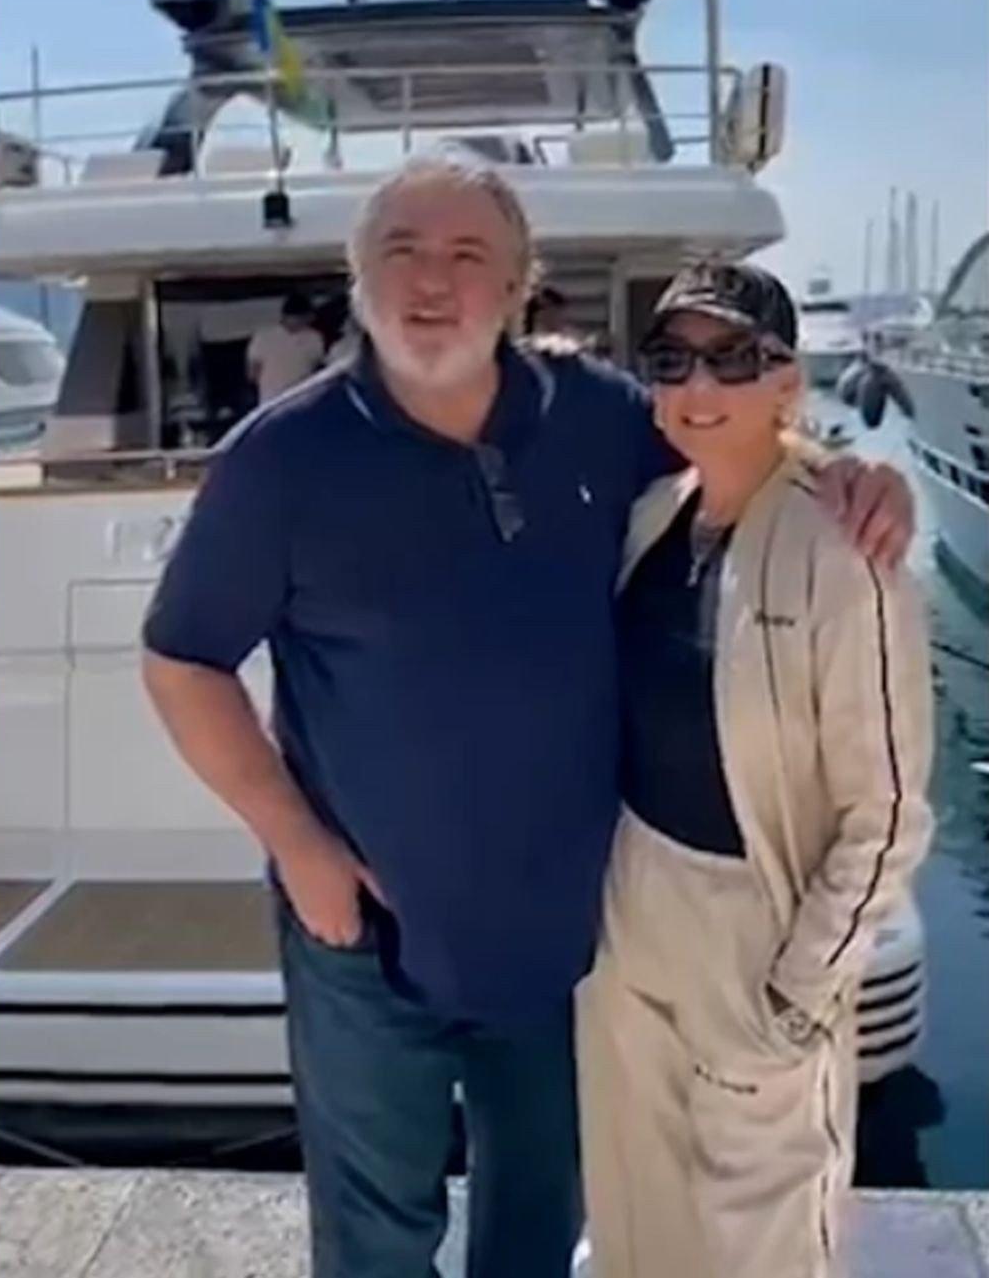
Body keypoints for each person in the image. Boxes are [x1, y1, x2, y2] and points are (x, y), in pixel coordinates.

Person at [141, 158, 913, 1278]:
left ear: (514, 287)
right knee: (373, 1242)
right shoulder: (279, 460)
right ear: (358, 277)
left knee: (534, 1231)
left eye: (468, 256)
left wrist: (854, 473)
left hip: (567, 938)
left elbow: (735, 439)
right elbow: (183, 660)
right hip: (364, 935)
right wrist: (297, 845)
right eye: (402, 250)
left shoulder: (597, 414)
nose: (432, 281)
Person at [577, 261, 934, 1278]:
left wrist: (799, 993)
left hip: (759, 920)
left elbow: (888, 813)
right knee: (635, 1197)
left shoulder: (846, 549)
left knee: (763, 1233)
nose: (700, 384)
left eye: (733, 358)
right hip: (634, 902)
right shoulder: (648, 517)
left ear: (785, 381)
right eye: (672, 358)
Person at [246, 291, 326, 405]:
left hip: (301, 400)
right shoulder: (263, 337)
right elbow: (253, 373)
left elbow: (317, 368)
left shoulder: (314, 338)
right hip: (272, 401)